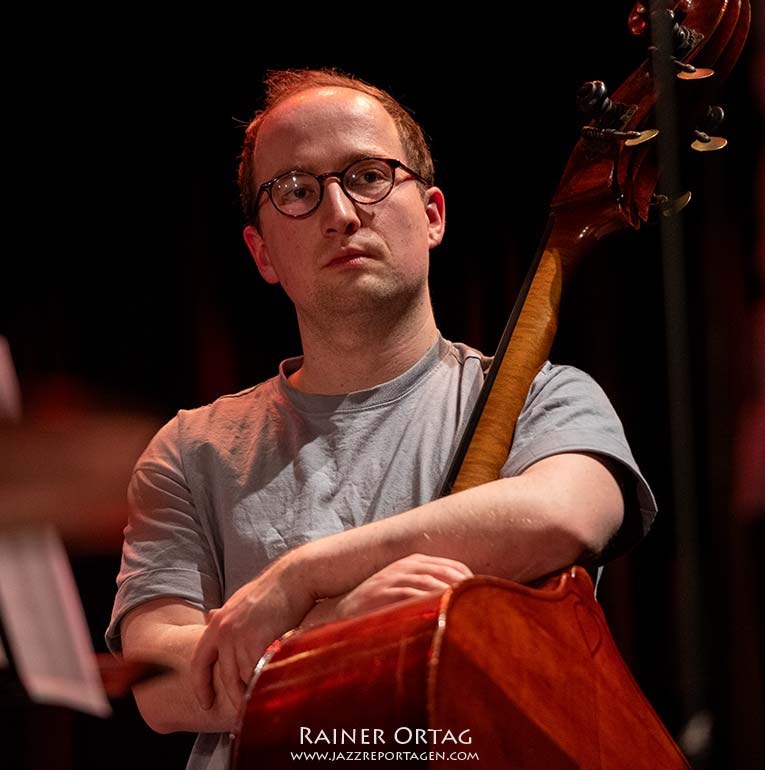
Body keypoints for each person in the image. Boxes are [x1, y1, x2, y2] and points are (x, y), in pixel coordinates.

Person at [106, 68, 656, 770]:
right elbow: (160, 680)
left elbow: (564, 517)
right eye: (298, 191)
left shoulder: (545, 399)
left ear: (432, 214)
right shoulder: (189, 450)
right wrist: (343, 622)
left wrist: (297, 579)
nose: (339, 211)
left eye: (367, 175)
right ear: (261, 252)